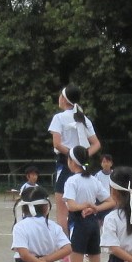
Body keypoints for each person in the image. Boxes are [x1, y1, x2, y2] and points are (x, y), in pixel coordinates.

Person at [57, 152, 111, 262]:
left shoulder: (72, 180)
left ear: (73, 162)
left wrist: (87, 206)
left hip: (79, 225)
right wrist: (95, 208)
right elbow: (111, 201)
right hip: (93, 225)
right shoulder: (93, 180)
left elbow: (71, 205)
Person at [46, 86, 100, 228]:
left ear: (63, 99)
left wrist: (72, 156)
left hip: (65, 164)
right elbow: (96, 144)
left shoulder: (59, 118)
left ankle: (67, 246)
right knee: (82, 205)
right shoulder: (84, 118)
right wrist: (82, 156)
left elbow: (57, 144)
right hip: (83, 166)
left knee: (62, 212)